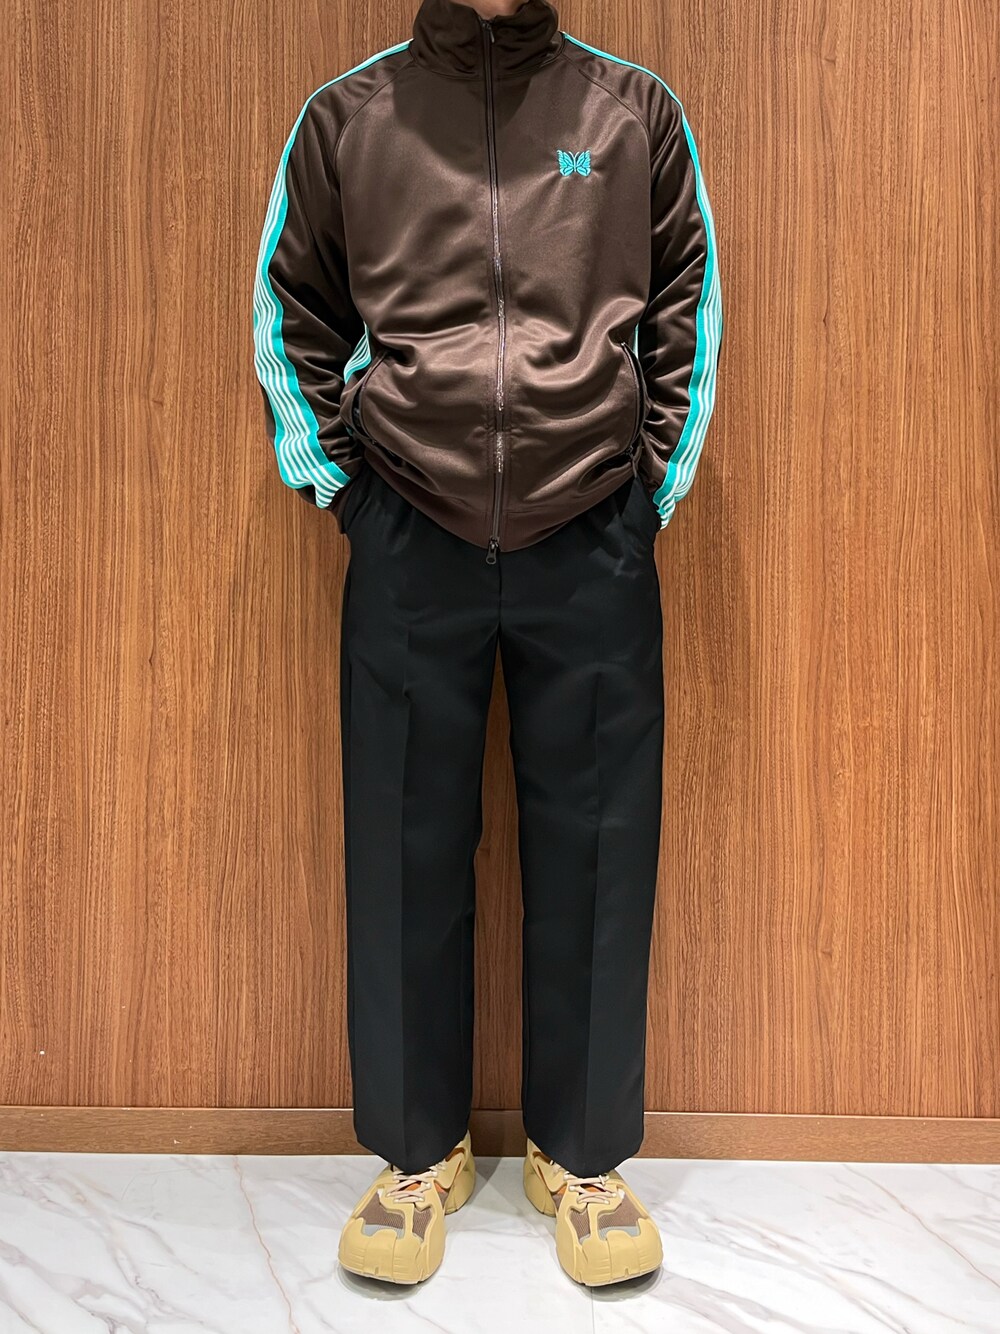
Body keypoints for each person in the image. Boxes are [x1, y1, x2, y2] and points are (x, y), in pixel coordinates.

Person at [252, 0, 722, 1289]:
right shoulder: (347, 118)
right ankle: (419, 1155)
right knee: (402, 839)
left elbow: (686, 309)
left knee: (600, 843)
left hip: (594, 526)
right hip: (411, 525)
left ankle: (584, 1158)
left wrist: (644, 491)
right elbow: (292, 307)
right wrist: (348, 491)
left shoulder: (634, 116)